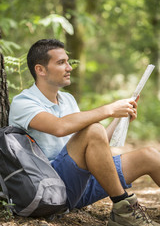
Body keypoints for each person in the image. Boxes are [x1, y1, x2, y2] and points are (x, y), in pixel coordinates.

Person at [9, 39, 160, 226]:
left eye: (68, 61)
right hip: (51, 189)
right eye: (61, 62)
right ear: (40, 70)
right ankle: (123, 207)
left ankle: (122, 207)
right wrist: (109, 109)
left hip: (80, 183)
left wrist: (120, 118)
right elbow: (59, 127)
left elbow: (96, 142)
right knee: (93, 128)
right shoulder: (23, 103)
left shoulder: (68, 100)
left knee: (151, 156)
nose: (69, 68)